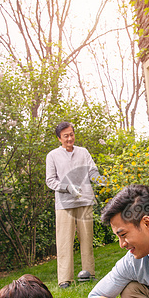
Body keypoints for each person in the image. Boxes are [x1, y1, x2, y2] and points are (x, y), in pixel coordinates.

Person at [46, 121, 104, 287]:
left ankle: (89, 273)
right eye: (66, 136)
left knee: (87, 239)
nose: (70, 138)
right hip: (64, 204)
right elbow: (50, 180)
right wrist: (67, 188)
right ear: (59, 138)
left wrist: (99, 179)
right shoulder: (52, 156)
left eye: (71, 134)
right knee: (64, 241)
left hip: (85, 200)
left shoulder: (83, 152)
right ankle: (65, 279)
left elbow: (92, 170)